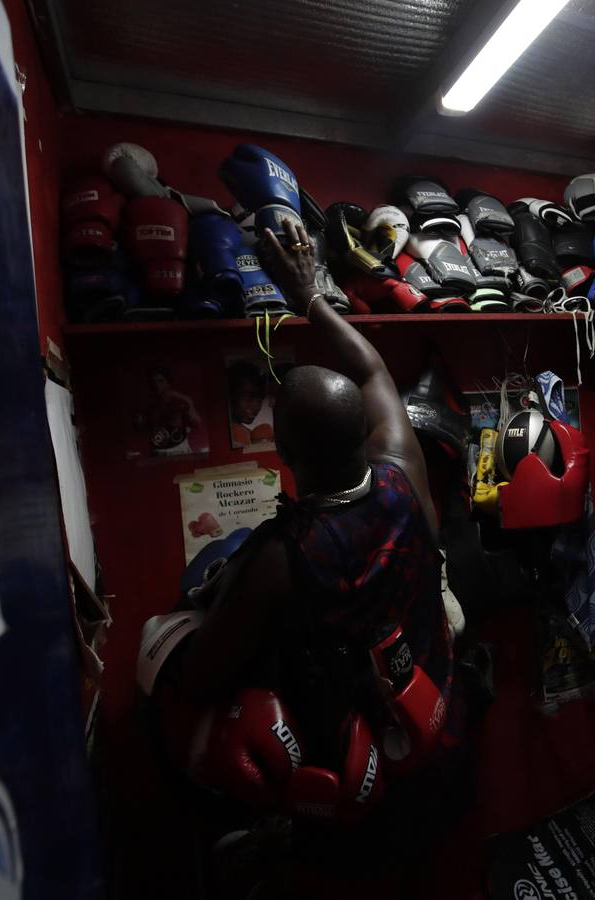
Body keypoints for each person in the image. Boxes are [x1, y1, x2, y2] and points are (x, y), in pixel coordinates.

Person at [152, 218, 465, 882]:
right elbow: (371, 366)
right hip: (434, 742)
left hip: (352, 787)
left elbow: (202, 675)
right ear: (365, 434)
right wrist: (309, 297)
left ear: (285, 456)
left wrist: (175, 632)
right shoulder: (402, 473)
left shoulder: (281, 557)